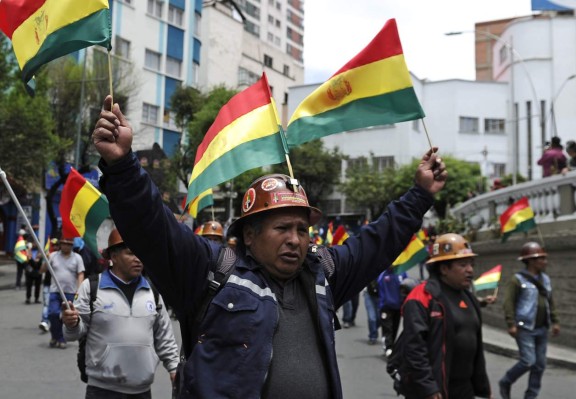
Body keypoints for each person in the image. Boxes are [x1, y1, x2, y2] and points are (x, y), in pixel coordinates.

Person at [92, 95, 447, 398]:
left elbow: (377, 242)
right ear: (250, 234)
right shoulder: (210, 271)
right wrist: (122, 166)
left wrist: (420, 195)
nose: (295, 238)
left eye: (302, 228)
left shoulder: (323, 273)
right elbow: (153, 227)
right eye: (281, 228)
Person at [62, 228, 179, 399]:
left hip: (142, 391)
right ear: (114, 257)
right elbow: (73, 334)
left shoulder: (152, 292)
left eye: (141, 253)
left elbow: (165, 337)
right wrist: (71, 323)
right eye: (131, 253)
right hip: (101, 390)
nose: (138, 259)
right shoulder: (91, 287)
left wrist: (174, 368)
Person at [389, 233, 491, 399]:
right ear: (444, 269)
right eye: (463, 265)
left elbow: (477, 350)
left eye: (471, 264)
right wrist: (428, 387)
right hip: (432, 390)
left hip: (463, 390)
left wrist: (483, 389)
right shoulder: (421, 297)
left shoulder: (470, 298)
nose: (470, 270)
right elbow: (414, 347)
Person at [498, 242, 560, 399]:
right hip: (525, 327)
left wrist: (555, 321)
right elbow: (509, 302)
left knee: (539, 365)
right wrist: (511, 324)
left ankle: (531, 396)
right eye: (541, 259)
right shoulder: (517, 280)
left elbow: (549, 300)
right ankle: (506, 381)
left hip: (542, 328)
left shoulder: (545, 279)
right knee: (528, 361)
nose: (545, 262)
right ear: (531, 261)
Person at [40, 236, 84, 349]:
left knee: (66, 317)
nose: (66, 246)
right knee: (53, 314)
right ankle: (56, 336)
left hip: (70, 292)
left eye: (69, 244)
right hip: (55, 291)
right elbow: (42, 270)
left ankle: (61, 338)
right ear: (60, 244)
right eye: (64, 243)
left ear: (72, 245)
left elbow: (80, 274)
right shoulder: (53, 256)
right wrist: (45, 260)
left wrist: (79, 291)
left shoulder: (77, 258)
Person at [378, 268, 407, 357]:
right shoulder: (382, 274)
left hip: (398, 307)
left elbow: (406, 286)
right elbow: (377, 286)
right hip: (386, 307)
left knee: (395, 328)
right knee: (388, 328)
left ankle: (391, 346)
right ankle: (388, 347)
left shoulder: (402, 273)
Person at [39, 237, 59, 333]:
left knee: (57, 308)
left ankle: (57, 325)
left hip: (59, 286)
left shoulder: (61, 258)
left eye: (56, 245)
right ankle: (44, 322)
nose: (54, 247)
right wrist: (46, 261)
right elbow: (41, 271)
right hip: (48, 284)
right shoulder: (49, 256)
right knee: (46, 304)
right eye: (53, 245)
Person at [363, 279, 380, 345]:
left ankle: (374, 329)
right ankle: (373, 336)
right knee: (372, 318)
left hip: (380, 295)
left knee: (379, 318)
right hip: (369, 294)